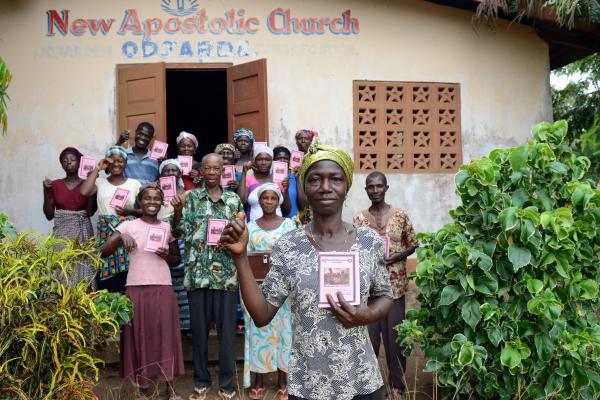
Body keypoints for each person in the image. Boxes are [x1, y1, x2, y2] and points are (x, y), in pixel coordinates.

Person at [219, 142, 394, 400]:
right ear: (305, 188)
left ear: (346, 186)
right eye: (315, 180)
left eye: (335, 179)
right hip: (308, 385)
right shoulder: (290, 244)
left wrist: (366, 314)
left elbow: (385, 295)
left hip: (361, 380)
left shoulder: (369, 241)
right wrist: (240, 257)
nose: (325, 187)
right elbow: (262, 314)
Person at [171, 153, 245, 400]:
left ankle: (226, 384)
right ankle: (201, 381)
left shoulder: (233, 200)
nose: (212, 172)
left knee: (226, 335)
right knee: (200, 332)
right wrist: (178, 210)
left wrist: (235, 231)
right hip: (198, 274)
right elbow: (178, 231)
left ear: (223, 170)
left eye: (217, 168)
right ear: (201, 171)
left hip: (226, 276)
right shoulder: (190, 198)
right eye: (208, 168)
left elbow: (241, 233)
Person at [100, 184, 184, 400]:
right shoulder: (128, 225)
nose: (152, 202)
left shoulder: (166, 227)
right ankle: (144, 391)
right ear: (140, 201)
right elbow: (103, 252)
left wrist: (166, 255)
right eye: (147, 198)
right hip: (136, 288)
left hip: (163, 287)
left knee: (166, 337)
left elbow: (176, 259)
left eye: (157, 199)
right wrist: (121, 238)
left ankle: (169, 391)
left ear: (162, 202)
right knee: (141, 337)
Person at [353, 171, 418, 400]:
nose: (375, 190)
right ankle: (370, 387)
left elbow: (413, 244)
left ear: (386, 188)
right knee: (369, 341)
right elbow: (353, 250)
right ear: (366, 190)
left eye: (379, 186)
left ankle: (397, 387)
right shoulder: (359, 219)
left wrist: (397, 256)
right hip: (368, 292)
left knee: (395, 340)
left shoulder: (400, 216)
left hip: (395, 288)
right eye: (370, 187)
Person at [242, 183, 296, 400]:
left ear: (278, 201)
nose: (269, 202)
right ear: (259, 201)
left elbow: (294, 255)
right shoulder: (250, 227)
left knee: (284, 332)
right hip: (257, 289)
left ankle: (283, 380)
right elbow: (245, 258)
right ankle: (258, 380)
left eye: (273, 198)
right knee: (258, 331)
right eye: (264, 198)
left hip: (283, 290)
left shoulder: (289, 225)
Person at [80, 146, 142, 293]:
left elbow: (144, 211)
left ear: (125, 163)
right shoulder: (100, 182)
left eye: (120, 161)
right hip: (106, 233)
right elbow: (84, 192)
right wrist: (98, 168)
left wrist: (129, 211)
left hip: (128, 233)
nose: (116, 164)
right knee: (107, 277)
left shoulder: (134, 184)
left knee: (127, 276)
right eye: (112, 161)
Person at [43, 147, 97, 288]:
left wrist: (92, 188)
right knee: (62, 268)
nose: (69, 163)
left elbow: (90, 212)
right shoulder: (54, 185)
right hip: (62, 235)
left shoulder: (87, 184)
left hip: (82, 233)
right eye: (65, 161)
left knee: (83, 267)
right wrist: (45, 190)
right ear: (61, 164)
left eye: (73, 160)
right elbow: (49, 215)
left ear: (80, 163)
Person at [237, 145, 291, 221]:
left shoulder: (279, 180)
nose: (263, 162)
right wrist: (244, 173)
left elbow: (287, 209)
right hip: (254, 228)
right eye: (259, 159)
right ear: (254, 161)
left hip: (278, 227)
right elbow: (240, 201)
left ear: (272, 162)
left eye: (267, 159)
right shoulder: (249, 180)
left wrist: (286, 189)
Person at [272, 145, 308, 218]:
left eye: (285, 158)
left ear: (290, 160)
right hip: (274, 223)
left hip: (293, 222)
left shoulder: (295, 177)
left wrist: (297, 179)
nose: (282, 161)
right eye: (278, 158)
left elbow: (304, 206)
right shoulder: (269, 177)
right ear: (273, 160)